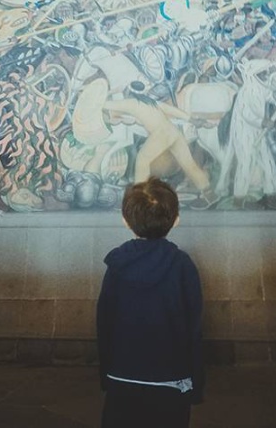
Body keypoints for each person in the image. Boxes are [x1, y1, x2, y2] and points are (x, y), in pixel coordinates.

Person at [97, 178, 204, 428]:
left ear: (125, 221)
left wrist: (107, 375)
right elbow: (194, 330)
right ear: (176, 220)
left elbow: (104, 324)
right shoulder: (182, 266)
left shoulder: (116, 266)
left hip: (122, 378)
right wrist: (197, 385)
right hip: (171, 381)